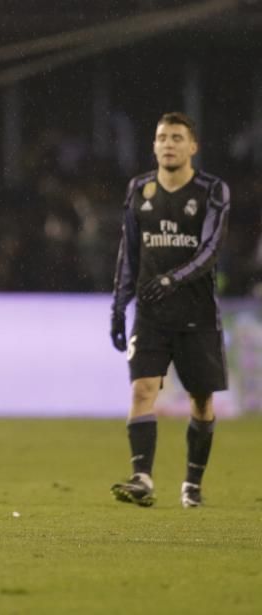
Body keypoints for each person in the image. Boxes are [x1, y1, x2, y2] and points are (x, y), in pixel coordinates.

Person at [109, 112, 230, 508]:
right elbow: (129, 252)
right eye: (162, 137)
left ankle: (192, 482)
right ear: (154, 145)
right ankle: (142, 477)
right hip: (151, 313)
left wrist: (172, 279)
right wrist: (118, 306)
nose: (169, 144)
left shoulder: (212, 190)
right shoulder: (139, 189)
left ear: (192, 147)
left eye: (177, 137)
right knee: (143, 389)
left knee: (201, 400)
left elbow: (211, 250)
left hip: (197, 314)